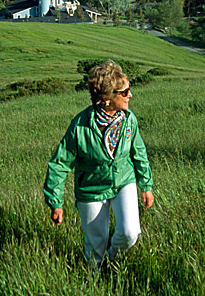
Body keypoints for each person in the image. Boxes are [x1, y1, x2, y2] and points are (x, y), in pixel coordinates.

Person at [43, 59, 153, 268]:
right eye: (124, 92)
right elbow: (59, 163)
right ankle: (96, 278)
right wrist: (55, 202)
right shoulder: (80, 126)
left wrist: (146, 186)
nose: (130, 95)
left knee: (130, 232)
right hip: (91, 189)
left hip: (123, 181)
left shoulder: (129, 120)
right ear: (107, 98)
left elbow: (138, 152)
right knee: (96, 245)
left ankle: (111, 261)